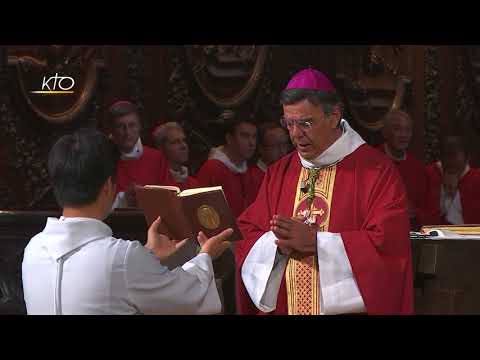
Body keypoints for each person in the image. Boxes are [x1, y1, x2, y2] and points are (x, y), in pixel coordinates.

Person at [236, 68, 414, 315]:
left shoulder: (376, 171)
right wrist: (276, 245)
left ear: (334, 116)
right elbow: (248, 233)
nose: (296, 134)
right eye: (290, 124)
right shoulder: (280, 172)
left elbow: (388, 246)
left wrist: (317, 243)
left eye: (306, 123)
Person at [22, 128, 232, 315]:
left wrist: (147, 255)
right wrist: (205, 256)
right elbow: (187, 298)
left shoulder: (33, 249)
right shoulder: (121, 258)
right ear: (108, 186)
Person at [107, 101, 175, 208]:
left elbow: (169, 200)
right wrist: (123, 199)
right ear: (111, 130)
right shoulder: (101, 160)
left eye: (132, 125)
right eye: (120, 126)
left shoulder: (156, 159)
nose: (127, 132)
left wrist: (146, 197)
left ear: (140, 127)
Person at [376, 110, 434, 228]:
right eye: (397, 129)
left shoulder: (417, 168)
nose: (403, 135)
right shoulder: (371, 161)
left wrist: (415, 214)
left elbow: (428, 208)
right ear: (385, 132)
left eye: (408, 130)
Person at [196, 117, 258, 217]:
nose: (252, 143)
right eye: (245, 136)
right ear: (229, 139)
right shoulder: (212, 169)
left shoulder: (248, 172)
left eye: (254, 137)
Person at [424, 135, 480, 224]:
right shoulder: (429, 174)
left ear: (467, 158)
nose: (448, 161)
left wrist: (454, 194)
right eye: (445, 155)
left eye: (453, 155)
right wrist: (444, 193)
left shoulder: (477, 179)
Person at [152, 121, 200, 190]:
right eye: (175, 142)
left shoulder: (194, 184)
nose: (183, 146)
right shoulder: (155, 184)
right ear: (161, 148)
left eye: (184, 140)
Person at [250, 121, 291, 196]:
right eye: (276, 146)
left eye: (284, 145)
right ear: (261, 148)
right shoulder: (251, 178)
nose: (282, 151)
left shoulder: (292, 171)